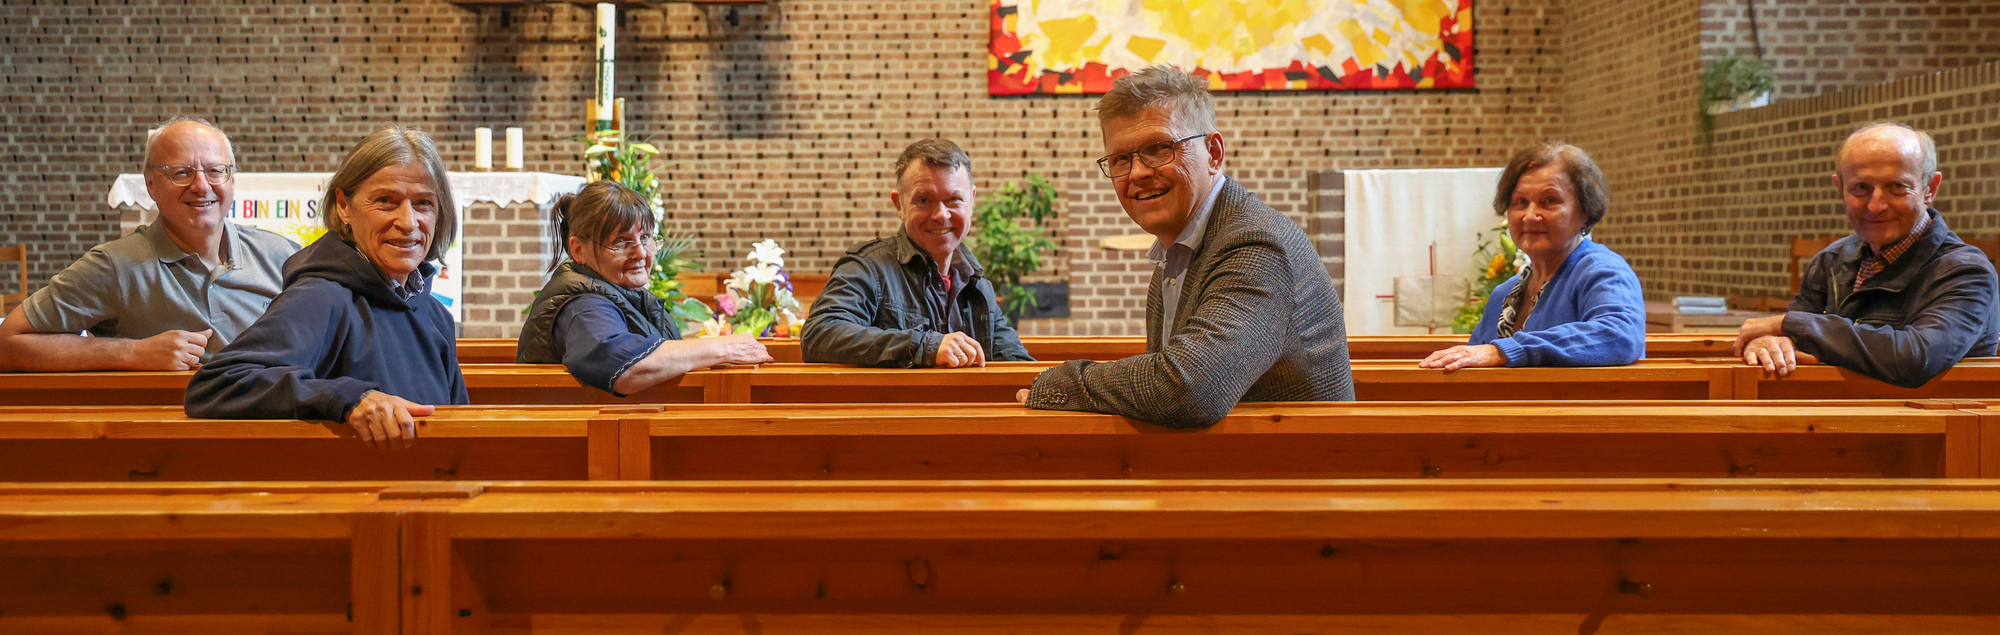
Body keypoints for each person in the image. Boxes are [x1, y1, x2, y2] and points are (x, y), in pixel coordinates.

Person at [1016, 65, 1352, 428]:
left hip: (1297, 461)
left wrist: (1062, 382)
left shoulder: (1256, 245)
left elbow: (1189, 390)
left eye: (1159, 149)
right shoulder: (1177, 255)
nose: (1137, 173)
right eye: (1120, 159)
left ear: (1213, 153)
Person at [186, 124, 467, 448]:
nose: (408, 222)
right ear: (344, 206)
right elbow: (217, 384)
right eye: (385, 200)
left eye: (423, 203)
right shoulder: (322, 297)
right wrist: (347, 397)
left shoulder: (434, 315)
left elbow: (460, 430)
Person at [0, 116, 298, 371]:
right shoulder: (115, 267)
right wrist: (134, 352)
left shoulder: (283, 256)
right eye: (181, 172)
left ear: (232, 180)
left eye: (215, 171)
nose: (201, 185)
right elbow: (8, 343)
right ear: (150, 184)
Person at [1735, 122, 1998, 387]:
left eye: (1897, 186)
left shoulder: (1966, 272)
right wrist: (1766, 343)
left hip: (1932, 412)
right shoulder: (1830, 261)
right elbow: (1784, 337)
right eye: (1861, 188)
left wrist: (1795, 326)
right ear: (1840, 189)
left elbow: (1915, 358)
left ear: (1930, 188)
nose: (1875, 205)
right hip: (1830, 409)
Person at [516, 181, 771, 394]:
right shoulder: (582, 305)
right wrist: (723, 348)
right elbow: (623, 366)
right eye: (621, 241)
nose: (640, 253)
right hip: (601, 435)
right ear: (578, 250)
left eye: (645, 237)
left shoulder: (617, 291)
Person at [801, 138, 1034, 367]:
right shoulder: (869, 269)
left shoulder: (977, 285)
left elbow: (1016, 363)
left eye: (954, 199)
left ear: (972, 200)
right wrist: (925, 345)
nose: (941, 215)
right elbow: (819, 334)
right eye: (924, 200)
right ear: (899, 205)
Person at [1420, 142, 1645, 370]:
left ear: (1585, 211)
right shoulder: (1503, 294)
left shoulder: (1603, 272)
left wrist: (1505, 350)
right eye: (1521, 202)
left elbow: (1620, 335)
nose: (1530, 216)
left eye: (1550, 201)